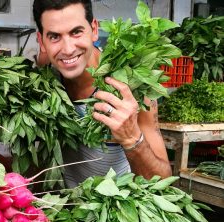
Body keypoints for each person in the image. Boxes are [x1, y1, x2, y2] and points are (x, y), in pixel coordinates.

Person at [32, 0, 172, 187]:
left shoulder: (131, 88)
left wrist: (132, 139)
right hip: (65, 210)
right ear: (42, 41)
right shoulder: (44, 81)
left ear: (94, 29)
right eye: (54, 37)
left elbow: (163, 182)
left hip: (120, 209)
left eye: (76, 32)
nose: (68, 49)